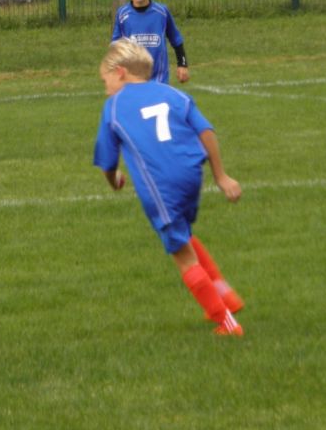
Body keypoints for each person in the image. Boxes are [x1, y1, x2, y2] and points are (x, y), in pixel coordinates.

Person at [93, 38, 245, 336]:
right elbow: (205, 130)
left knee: (182, 255)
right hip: (192, 174)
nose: (105, 88)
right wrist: (221, 176)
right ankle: (226, 296)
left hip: (161, 187)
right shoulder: (173, 93)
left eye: (105, 80)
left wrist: (114, 181)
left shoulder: (114, 107)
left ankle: (227, 323)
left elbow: (107, 162)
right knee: (184, 235)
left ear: (120, 72)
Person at [111, 0, 188, 84]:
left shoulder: (162, 12)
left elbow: (176, 39)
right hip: (132, 79)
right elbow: (116, 45)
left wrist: (182, 64)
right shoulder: (122, 14)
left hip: (159, 80)